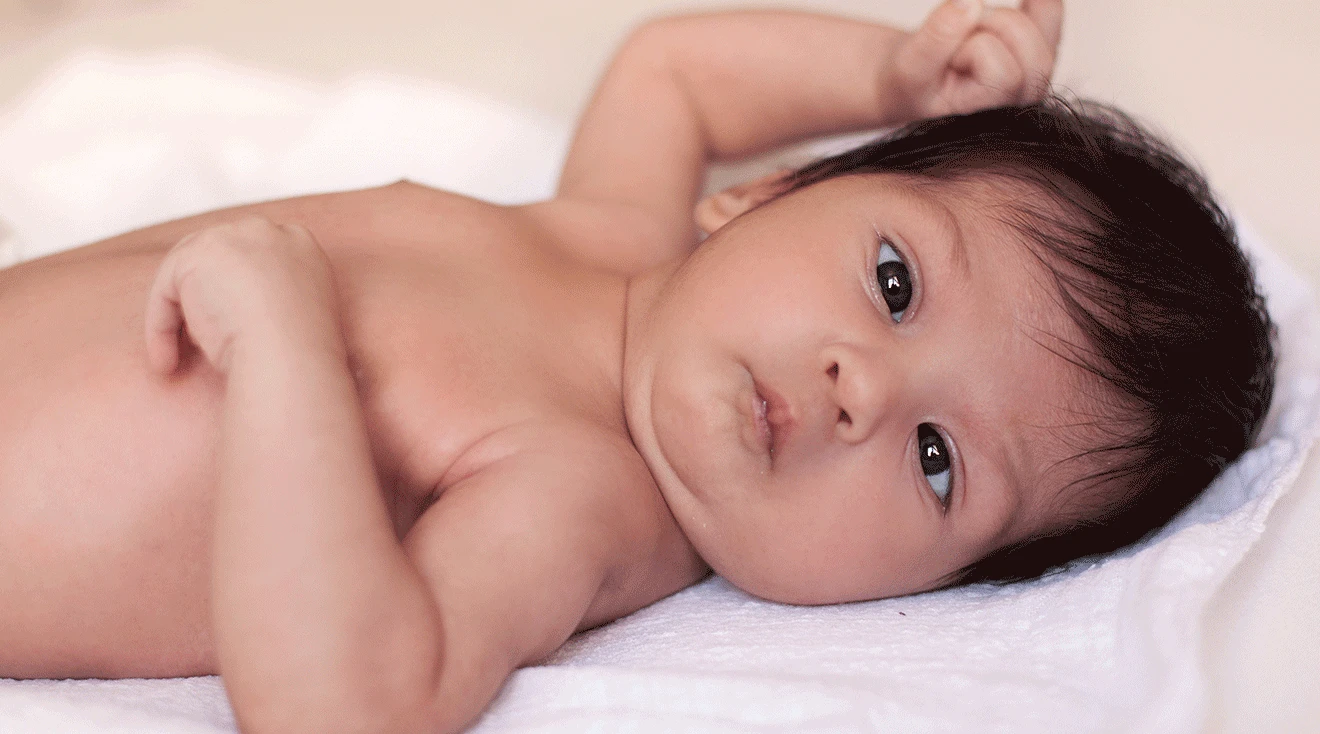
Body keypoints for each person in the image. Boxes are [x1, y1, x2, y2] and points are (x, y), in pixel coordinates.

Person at [0, 0, 1274, 732]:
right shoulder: (618, 231)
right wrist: (893, 73)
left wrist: (286, 345)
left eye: (937, 463)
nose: (864, 390)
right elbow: (676, 72)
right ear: (760, 193)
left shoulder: (588, 485)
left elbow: (343, 703)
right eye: (894, 281)